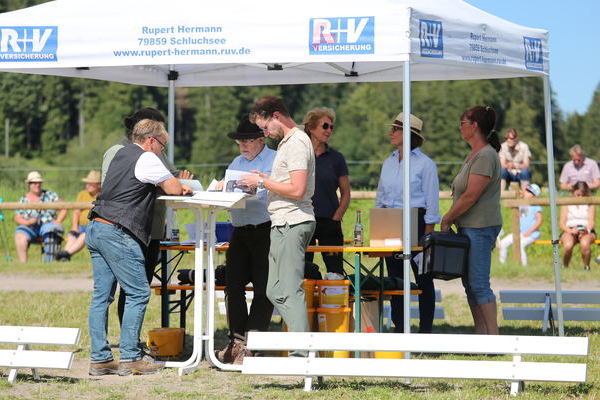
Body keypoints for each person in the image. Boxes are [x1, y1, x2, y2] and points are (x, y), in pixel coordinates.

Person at [87, 119, 191, 376]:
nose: (162, 153)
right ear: (151, 141)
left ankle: (100, 358)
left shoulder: (121, 154)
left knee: (101, 297)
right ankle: (131, 357)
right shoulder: (147, 158)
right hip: (118, 231)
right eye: (162, 146)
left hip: (97, 227)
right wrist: (180, 185)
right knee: (138, 293)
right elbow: (174, 188)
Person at [102, 107, 193, 326]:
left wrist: (177, 183)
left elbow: (170, 179)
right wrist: (171, 185)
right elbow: (112, 187)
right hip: (126, 226)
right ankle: (125, 342)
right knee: (125, 289)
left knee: (141, 284)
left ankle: (130, 339)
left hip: (151, 227)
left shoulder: (155, 152)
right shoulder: (118, 150)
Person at [242, 96, 316, 338]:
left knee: (289, 289)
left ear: (275, 116)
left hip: (292, 221)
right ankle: (301, 340)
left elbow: (297, 189)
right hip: (282, 222)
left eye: (265, 127)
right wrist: (263, 181)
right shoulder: (288, 142)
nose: (265, 132)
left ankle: (302, 353)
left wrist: (262, 181)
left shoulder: (296, 142)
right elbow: (287, 183)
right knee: (273, 290)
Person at [216, 115, 276, 365]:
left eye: (249, 140)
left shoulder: (274, 159)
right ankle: (237, 340)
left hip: (266, 228)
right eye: (240, 141)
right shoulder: (236, 162)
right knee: (234, 285)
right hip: (239, 229)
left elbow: (275, 189)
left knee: (264, 288)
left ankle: (254, 342)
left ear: (261, 140)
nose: (243, 145)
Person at [375, 112, 440, 333]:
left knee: (422, 278)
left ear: (408, 134)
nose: (391, 132)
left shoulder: (426, 164)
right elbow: (380, 196)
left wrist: (426, 238)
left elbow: (432, 203)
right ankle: (400, 328)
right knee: (395, 279)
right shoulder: (388, 162)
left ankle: (425, 331)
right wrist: (378, 224)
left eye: (396, 129)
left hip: (417, 221)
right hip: (389, 220)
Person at [441, 105, 502, 335]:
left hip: (480, 227)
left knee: (478, 283)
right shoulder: (475, 155)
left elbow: (471, 195)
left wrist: (448, 218)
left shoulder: (486, 155)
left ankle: (493, 336)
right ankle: (481, 334)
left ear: (474, 126)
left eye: (463, 123)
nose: (460, 127)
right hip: (469, 227)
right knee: (470, 285)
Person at [302, 107, 350, 276]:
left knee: (335, 272)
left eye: (331, 127)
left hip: (330, 223)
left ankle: (335, 302)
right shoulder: (299, 154)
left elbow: (346, 192)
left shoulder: (337, 158)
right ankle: (306, 303)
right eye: (325, 126)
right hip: (303, 222)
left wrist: (337, 216)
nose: (329, 130)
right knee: (303, 271)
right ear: (311, 127)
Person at [14, 171, 67, 263]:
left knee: (51, 230)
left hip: (48, 225)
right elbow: (17, 217)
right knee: (20, 235)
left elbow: (64, 207)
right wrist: (28, 222)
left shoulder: (50, 195)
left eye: (39, 182)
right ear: (29, 184)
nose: (37, 185)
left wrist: (58, 220)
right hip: (29, 228)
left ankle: (50, 264)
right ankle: (23, 265)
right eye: (34, 183)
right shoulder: (23, 199)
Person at [56, 170, 101, 261]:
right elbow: (76, 212)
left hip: (94, 226)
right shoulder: (82, 194)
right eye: (87, 183)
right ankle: (64, 255)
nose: (87, 185)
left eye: (90, 183)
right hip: (80, 226)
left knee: (84, 235)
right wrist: (74, 227)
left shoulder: (102, 195)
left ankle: (66, 254)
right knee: (73, 235)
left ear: (98, 185)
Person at [498, 183, 543, 266]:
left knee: (520, 245)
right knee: (503, 243)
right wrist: (518, 195)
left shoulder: (536, 206)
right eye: (526, 190)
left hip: (532, 234)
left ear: (534, 196)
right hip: (520, 233)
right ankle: (502, 264)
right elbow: (519, 215)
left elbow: (539, 221)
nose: (525, 192)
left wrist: (530, 232)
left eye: (528, 192)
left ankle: (524, 266)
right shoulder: (522, 204)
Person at [560, 181, 595, 271]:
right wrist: (570, 231)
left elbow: (591, 221)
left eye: (583, 194)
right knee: (568, 245)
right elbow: (562, 223)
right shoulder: (566, 203)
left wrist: (587, 230)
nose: (580, 197)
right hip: (570, 229)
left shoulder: (590, 203)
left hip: (586, 229)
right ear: (573, 191)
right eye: (578, 194)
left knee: (585, 244)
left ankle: (586, 267)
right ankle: (565, 266)